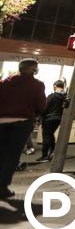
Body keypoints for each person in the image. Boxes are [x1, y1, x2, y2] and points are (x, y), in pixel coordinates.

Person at [0, 59, 46, 199]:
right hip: (22, 122)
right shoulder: (37, 85)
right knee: (12, 156)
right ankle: (2, 187)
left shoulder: (5, 82)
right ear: (33, 69)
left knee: (1, 153)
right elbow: (41, 106)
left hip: (1, 121)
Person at [37, 80, 67, 162]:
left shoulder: (52, 96)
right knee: (50, 135)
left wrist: (40, 116)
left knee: (46, 136)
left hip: (48, 118)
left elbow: (45, 107)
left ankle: (44, 156)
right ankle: (53, 152)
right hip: (58, 119)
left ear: (55, 86)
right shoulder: (65, 97)